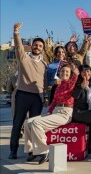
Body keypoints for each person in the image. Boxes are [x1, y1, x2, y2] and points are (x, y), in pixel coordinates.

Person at [24, 63, 78, 164]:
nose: (64, 73)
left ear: (70, 74)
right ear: (59, 73)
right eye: (62, 71)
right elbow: (53, 101)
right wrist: (49, 112)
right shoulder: (58, 86)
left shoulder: (71, 83)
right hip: (55, 111)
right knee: (28, 122)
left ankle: (44, 151)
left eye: (67, 72)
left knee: (36, 123)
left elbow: (76, 75)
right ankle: (32, 151)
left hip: (65, 113)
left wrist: (72, 65)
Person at [9, 23, 48, 160]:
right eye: (36, 45)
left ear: (42, 49)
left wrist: (45, 97)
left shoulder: (44, 65)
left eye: (40, 46)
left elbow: (44, 82)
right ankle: (13, 150)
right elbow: (19, 47)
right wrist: (16, 32)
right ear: (32, 46)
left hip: (37, 98)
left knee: (32, 125)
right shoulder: (24, 57)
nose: (37, 47)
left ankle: (32, 152)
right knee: (18, 123)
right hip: (22, 95)